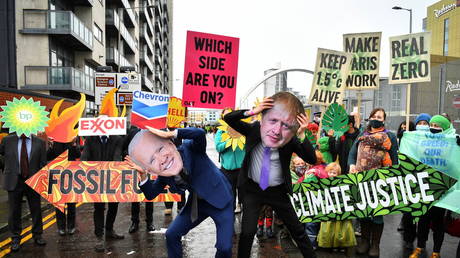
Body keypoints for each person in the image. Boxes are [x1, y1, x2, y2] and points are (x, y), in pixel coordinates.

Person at [224, 92, 317, 258]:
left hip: (278, 192)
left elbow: (311, 158)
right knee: (247, 233)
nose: (276, 131)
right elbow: (229, 118)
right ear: (263, 119)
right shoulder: (253, 129)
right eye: (273, 121)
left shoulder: (290, 139)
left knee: (298, 231)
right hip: (253, 190)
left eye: (286, 125)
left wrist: (302, 134)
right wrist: (252, 111)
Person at [125, 126, 234, 258]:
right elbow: (151, 194)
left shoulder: (191, 148)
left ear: (171, 144)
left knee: (224, 247)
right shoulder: (164, 175)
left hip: (220, 198)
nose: (162, 159)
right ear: (151, 169)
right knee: (171, 234)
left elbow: (199, 134)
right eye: (152, 160)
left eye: (161, 149)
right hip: (197, 204)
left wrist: (171, 133)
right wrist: (142, 175)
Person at [348, 108, 398, 257]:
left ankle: (375, 245)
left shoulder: (389, 136)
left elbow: (394, 158)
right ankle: (364, 242)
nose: (376, 118)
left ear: (384, 120)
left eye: (380, 117)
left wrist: (393, 178)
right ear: (370, 118)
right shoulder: (362, 135)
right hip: (361, 180)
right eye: (374, 116)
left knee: (377, 213)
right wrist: (351, 165)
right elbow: (352, 153)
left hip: (380, 181)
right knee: (363, 211)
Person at [409, 115, 451, 258]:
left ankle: (436, 251)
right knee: (423, 219)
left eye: (437, 126)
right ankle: (420, 247)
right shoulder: (424, 140)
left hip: (441, 187)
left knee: (438, 221)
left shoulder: (451, 142)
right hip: (425, 186)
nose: (433, 128)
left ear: (444, 128)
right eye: (431, 125)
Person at [0, 133, 47, 252]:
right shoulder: (7, 140)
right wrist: (7, 168)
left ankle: (37, 235)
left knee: (36, 210)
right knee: (14, 211)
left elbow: (43, 163)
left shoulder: (40, 142)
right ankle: (15, 238)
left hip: (33, 180)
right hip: (14, 180)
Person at [81, 135, 125, 252]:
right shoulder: (90, 139)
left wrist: (114, 167)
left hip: (112, 177)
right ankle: (99, 237)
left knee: (114, 205)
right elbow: (85, 156)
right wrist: (82, 165)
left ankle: (109, 230)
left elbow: (117, 155)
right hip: (96, 180)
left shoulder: (117, 139)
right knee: (99, 208)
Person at [121, 125, 156, 233]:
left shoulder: (154, 133)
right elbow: (124, 149)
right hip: (135, 168)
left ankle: (149, 222)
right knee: (135, 196)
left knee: (149, 196)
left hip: (149, 168)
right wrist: (129, 157)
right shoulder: (132, 132)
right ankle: (134, 222)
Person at [317, 163, 356, 254]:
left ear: (338, 174)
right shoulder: (324, 183)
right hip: (329, 210)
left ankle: (342, 245)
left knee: (341, 229)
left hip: (340, 211)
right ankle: (331, 245)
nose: (332, 175)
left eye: (334, 173)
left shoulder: (341, 182)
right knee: (329, 229)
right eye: (330, 172)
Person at [47, 138, 81, 236]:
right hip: (58, 176)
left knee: (71, 203)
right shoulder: (55, 142)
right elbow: (48, 156)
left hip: (71, 175)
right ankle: (61, 227)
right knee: (59, 204)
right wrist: (51, 146)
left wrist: (74, 145)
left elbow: (78, 155)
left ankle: (71, 227)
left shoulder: (72, 139)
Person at [215, 107, 246, 213]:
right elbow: (219, 147)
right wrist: (230, 140)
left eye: (231, 115)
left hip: (242, 167)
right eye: (226, 115)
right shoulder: (221, 131)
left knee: (243, 190)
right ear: (222, 118)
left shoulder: (242, 128)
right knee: (230, 192)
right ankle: (230, 214)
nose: (228, 117)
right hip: (227, 169)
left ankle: (240, 203)